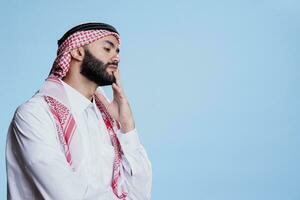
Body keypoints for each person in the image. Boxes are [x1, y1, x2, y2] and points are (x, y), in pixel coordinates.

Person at [6, 22, 152, 200]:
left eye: (118, 51)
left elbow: (140, 194)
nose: (117, 58)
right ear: (77, 51)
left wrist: (127, 127)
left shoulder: (107, 120)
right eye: (107, 49)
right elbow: (67, 195)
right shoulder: (35, 115)